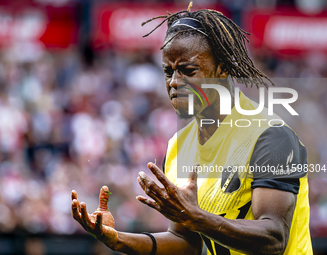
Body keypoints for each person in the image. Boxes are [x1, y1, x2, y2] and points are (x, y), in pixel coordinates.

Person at [71, 4, 313, 255]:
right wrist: (118, 240)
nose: (174, 82)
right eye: (168, 71)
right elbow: (185, 241)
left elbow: (273, 238)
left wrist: (197, 218)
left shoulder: (271, 137)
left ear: (224, 68)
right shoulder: (178, 146)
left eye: (188, 70)